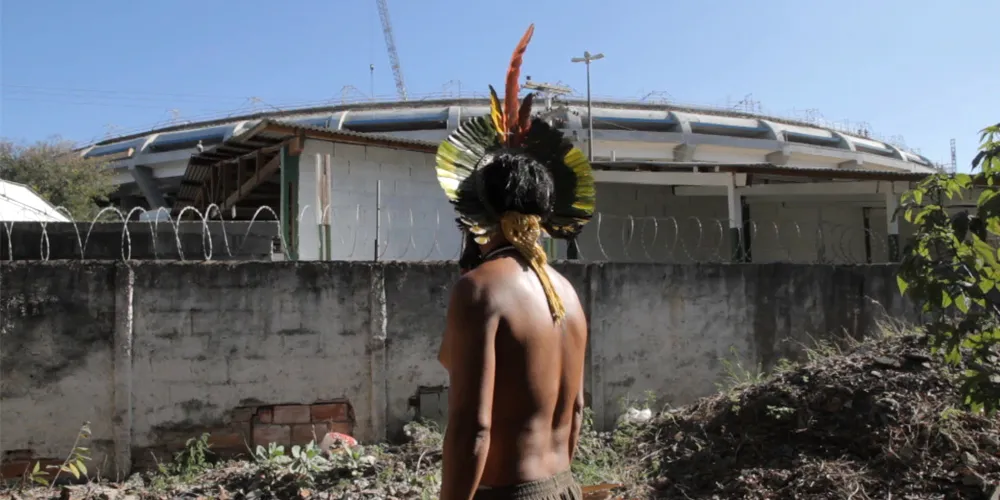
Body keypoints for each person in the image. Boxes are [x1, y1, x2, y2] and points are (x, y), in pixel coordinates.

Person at [433, 24, 597, 500]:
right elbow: (578, 411)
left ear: (475, 214)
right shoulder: (564, 292)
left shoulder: (482, 290)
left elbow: (473, 430)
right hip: (564, 486)